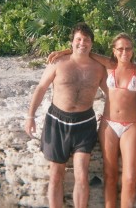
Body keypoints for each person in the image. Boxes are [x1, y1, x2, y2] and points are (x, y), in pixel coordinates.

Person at [49, 33, 136, 208]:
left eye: (128, 48)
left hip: (132, 125)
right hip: (108, 124)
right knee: (109, 174)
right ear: (114, 50)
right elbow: (85, 52)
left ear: (132, 51)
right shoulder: (107, 66)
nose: (124, 52)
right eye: (120, 48)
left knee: (129, 176)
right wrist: (66, 51)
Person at [24, 22, 107, 208]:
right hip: (56, 123)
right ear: (71, 42)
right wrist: (30, 116)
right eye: (78, 39)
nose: (82, 43)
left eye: (86, 40)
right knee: (55, 174)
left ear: (92, 44)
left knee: (82, 174)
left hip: (85, 124)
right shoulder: (58, 63)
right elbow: (41, 88)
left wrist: (108, 116)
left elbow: (113, 94)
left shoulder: (99, 68)